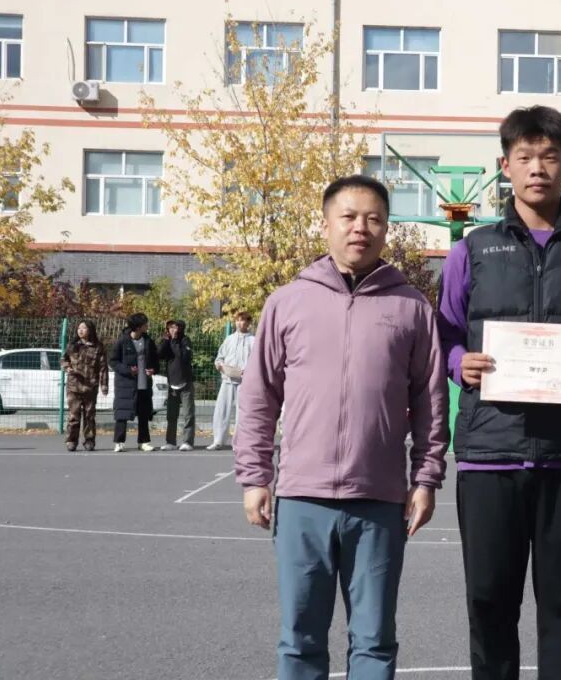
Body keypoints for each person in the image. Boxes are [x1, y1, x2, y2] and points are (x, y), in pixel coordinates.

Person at [437, 105, 561, 680]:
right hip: (489, 454)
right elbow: (444, 333)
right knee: (489, 603)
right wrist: (458, 362)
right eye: (524, 156)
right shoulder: (472, 250)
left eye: (549, 156)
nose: (537, 168)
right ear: (505, 166)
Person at [234, 174, 449, 680]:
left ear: (386, 229)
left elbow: (430, 402)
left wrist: (425, 479)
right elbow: (259, 396)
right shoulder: (288, 301)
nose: (361, 228)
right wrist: (254, 477)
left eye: (374, 219)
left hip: (380, 500)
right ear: (326, 224)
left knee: (374, 640)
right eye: (348, 217)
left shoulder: (412, 307)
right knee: (300, 639)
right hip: (301, 497)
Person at [109, 313, 159, 453]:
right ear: (138, 327)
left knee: (144, 414)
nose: (147, 326)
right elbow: (113, 361)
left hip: (144, 384)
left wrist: (153, 369)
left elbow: (155, 360)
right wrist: (128, 370)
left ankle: (143, 442)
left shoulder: (148, 341)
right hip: (125, 385)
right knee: (122, 413)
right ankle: (119, 442)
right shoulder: (122, 341)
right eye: (145, 324)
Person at [207, 311, 255, 451]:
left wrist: (249, 371)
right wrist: (220, 365)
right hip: (227, 380)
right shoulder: (229, 339)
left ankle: (239, 442)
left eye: (244, 320)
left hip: (244, 382)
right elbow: (219, 357)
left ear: (249, 323)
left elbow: (257, 361)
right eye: (238, 320)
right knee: (221, 410)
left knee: (242, 413)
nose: (241, 323)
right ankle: (218, 440)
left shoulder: (254, 340)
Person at [60, 320, 108, 452]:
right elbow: (63, 359)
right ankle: (71, 440)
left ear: (90, 330)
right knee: (73, 416)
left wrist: (104, 385)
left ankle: (89, 440)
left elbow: (103, 368)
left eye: (84, 328)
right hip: (73, 386)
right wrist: (67, 367)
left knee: (89, 416)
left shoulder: (98, 347)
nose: (80, 330)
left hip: (90, 386)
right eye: (79, 328)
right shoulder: (72, 345)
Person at [158, 319, 196, 451]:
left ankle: (188, 441)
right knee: (171, 415)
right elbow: (159, 354)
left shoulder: (185, 341)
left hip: (185, 382)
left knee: (188, 414)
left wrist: (174, 341)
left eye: (175, 327)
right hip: (172, 384)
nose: (172, 330)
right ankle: (170, 442)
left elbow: (182, 356)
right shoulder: (168, 341)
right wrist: (165, 341)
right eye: (170, 328)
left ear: (180, 329)